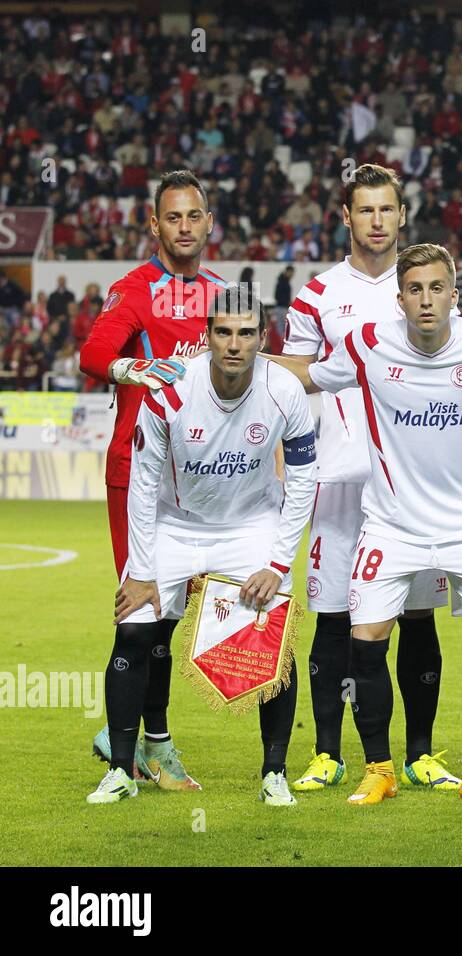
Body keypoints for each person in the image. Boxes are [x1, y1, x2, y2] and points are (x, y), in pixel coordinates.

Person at [280, 243, 462, 806]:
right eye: (414, 290)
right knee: (366, 644)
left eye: (436, 288)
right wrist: (241, 360)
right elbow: (311, 377)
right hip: (391, 527)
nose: (426, 300)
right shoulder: (369, 343)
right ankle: (379, 769)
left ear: (454, 294)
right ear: (400, 299)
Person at [92, 287, 316, 806]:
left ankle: (274, 774)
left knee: (273, 644)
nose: (233, 345)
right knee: (133, 630)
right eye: (222, 333)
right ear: (207, 336)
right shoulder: (170, 391)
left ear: (263, 338)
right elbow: (145, 483)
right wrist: (141, 570)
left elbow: (304, 480)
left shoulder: (283, 390)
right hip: (176, 525)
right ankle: (121, 771)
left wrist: (278, 563)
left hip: (249, 527)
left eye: (245, 333)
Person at [277, 164, 459, 794]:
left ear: (401, 215)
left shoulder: (423, 287)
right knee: (332, 618)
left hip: (413, 486)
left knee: (416, 619)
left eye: (388, 210)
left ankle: (420, 753)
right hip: (340, 483)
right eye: (366, 211)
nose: (378, 221)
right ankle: (327, 753)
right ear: (347, 217)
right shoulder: (317, 295)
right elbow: (294, 380)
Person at [79, 169, 226, 789]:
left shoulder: (224, 296)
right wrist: (146, 369)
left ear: (209, 223)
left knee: (170, 616)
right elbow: (91, 356)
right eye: (173, 217)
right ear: (154, 224)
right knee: (142, 609)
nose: (184, 227)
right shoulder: (134, 289)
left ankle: (134, 736)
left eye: (194, 216)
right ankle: (141, 745)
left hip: (195, 482)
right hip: (135, 474)